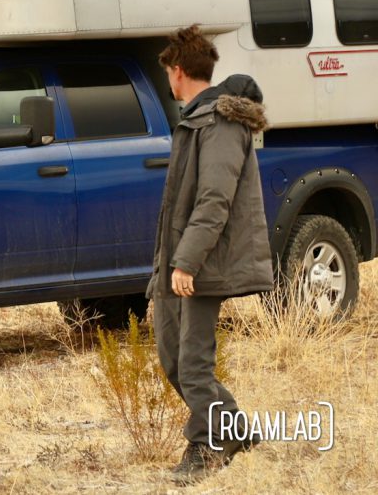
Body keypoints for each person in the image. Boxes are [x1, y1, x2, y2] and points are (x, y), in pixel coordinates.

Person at [146, 25, 274, 484]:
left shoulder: (218, 123)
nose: (168, 82)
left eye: (168, 73)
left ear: (178, 71)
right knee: (174, 359)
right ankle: (234, 428)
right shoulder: (196, 118)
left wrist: (186, 262)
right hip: (182, 261)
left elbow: (214, 200)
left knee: (193, 364)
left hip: (203, 265)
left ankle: (207, 445)